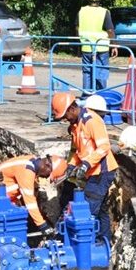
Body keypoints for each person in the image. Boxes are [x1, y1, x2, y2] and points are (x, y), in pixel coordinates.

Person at [52, 92, 118, 243]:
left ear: (71, 109)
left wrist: (87, 163)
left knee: (87, 211)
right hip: (92, 172)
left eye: (64, 116)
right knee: (101, 209)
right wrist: (70, 166)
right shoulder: (75, 126)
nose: (64, 120)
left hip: (102, 171)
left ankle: (86, 245)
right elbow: (77, 151)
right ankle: (105, 241)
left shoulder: (91, 120)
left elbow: (104, 147)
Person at [0, 154, 69, 238]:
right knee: (5, 226)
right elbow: (30, 201)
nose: (46, 177)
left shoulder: (33, 161)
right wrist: (42, 225)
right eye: (48, 174)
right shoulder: (26, 171)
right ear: (47, 165)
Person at [77, 0, 117, 93]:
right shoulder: (104, 12)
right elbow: (110, 30)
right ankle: (100, 96)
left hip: (86, 47)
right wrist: (114, 45)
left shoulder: (82, 11)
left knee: (87, 72)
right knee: (101, 72)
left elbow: (77, 28)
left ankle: (87, 96)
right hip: (101, 48)